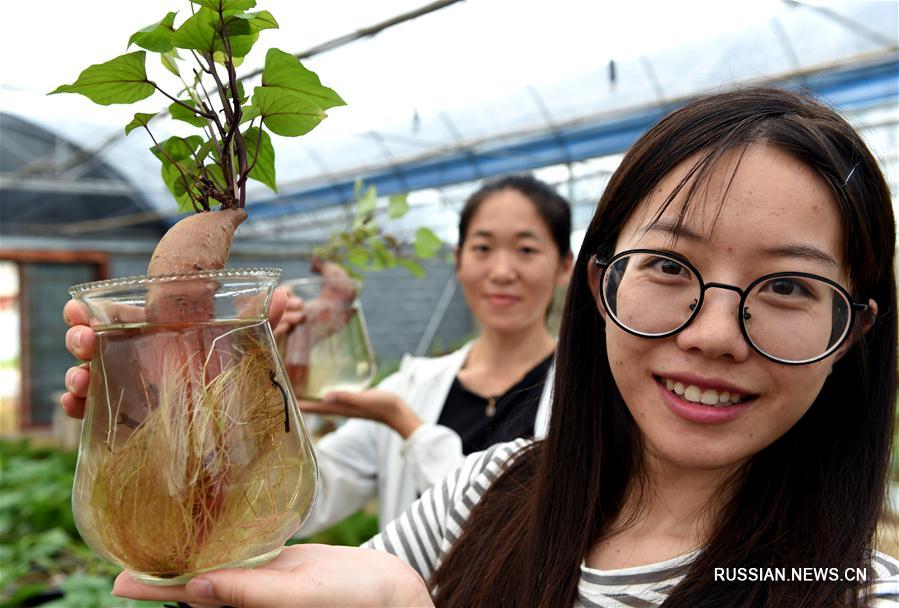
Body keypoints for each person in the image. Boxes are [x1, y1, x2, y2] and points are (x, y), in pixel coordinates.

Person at [82, 87, 899, 607]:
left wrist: (409, 432)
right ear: (600, 285)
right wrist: (178, 413)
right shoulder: (487, 491)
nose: (713, 334)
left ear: (853, 332)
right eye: (668, 266)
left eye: (789, 285)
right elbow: (286, 525)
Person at [62, 174, 574, 536]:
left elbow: (522, 530)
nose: (502, 271)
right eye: (482, 248)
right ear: (459, 261)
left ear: (564, 266)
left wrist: (409, 427)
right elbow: (303, 503)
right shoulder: (414, 383)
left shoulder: (588, 394)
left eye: (526, 250)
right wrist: (202, 411)